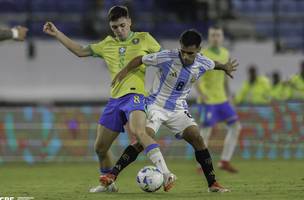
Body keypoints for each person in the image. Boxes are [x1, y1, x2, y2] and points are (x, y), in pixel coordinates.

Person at [43, 5, 175, 193]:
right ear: (110, 27)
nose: (119, 30)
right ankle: (109, 185)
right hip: (115, 101)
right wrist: (57, 33)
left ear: (129, 22)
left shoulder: (144, 39)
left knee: (139, 131)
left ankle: (166, 173)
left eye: (122, 25)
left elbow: (166, 60)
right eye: (115, 27)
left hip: (135, 96)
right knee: (100, 148)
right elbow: (80, 51)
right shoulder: (106, 44)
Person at [100, 29, 238, 192]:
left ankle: (212, 184)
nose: (186, 56)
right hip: (155, 105)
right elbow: (140, 59)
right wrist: (123, 73)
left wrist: (225, 67)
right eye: (183, 51)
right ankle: (112, 175)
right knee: (144, 138)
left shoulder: (203, 62)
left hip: (178, 109)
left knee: (197, 137)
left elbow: (214, 64)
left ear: (199, 50)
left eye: (190, 53)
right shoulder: (166, 56)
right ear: (180, 47)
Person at [195, 26, 241, 173]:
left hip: (222, 99)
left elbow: (225, 77)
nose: (215, 38)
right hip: (208, 100)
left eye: (218, 35)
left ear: (222, 37)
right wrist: (201, 94)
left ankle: (224, 161)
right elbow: (195, 76)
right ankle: (201, 164)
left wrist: (229, 95)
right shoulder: (203, 54)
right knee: (206, 131)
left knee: (236, 127)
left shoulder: (225, 53)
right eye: (213, 35)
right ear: (209, 37)